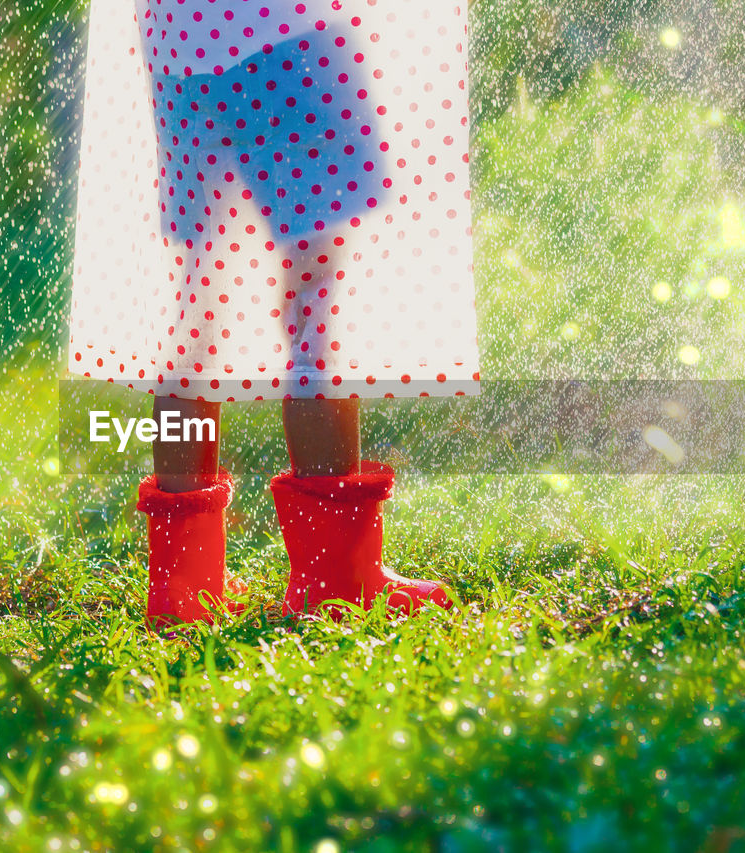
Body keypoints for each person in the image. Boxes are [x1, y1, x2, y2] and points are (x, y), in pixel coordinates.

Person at [69, 0, 479, 625]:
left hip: (178, 39)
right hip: (284, 30)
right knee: (315, 295)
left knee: (196, 305)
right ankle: (338, 577)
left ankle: (183, 587)